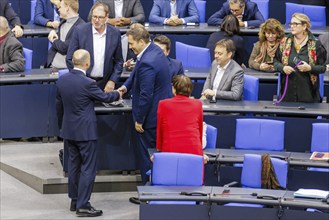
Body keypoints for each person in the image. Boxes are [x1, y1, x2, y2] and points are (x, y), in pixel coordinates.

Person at [56, 49, 122, 217]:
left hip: (69, 131)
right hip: (85, 133)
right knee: (88, 168)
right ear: (87, 63)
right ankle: (83, 205)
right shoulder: (88, 83)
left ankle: (74, 200)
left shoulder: (62, 80)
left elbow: (59, 107)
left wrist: (62, 127)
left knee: (74, 167)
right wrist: (118, 93)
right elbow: (105, 98)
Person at [118, 26, 172, 185]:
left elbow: (146, 94)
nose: (130, 47)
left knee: (147, 156)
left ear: (141, 41)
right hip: (159, 112)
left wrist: (140, 119)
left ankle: (147, 192)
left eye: (132, 43)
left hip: (149, 119)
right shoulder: (153, 50)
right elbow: (137, 70)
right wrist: (126, 87)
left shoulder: (149, 61)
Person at [66, 2, 123, 92]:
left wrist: (112, 81)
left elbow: (119, 61)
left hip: (105, 85)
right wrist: (80, 79)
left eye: (100, 17)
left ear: (107, 17)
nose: (96, 20)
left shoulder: (115, 33)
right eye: (94, 16)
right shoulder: (80, 31)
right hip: (83, 83)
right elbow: (69, 58)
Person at [274, 13, 327, 103]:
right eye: (291, 24)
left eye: (296, 24)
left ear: (304, 26)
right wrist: (283, 68)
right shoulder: (284, 42)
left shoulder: (315, 45)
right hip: (287, 94)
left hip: (308, 94)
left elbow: (323, 68)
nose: (292, 26)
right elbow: (275, 62)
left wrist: (310, 68)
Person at [156, 75, 203, 156]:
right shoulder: (198, 104)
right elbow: (200, 131)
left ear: (174, 89)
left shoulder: (163, 104)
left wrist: (159, 148)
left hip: (170, 150)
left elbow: (160, 129)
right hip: (194, 151)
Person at [45, 0, 85, 69]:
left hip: (65, 69)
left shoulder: (81, 27)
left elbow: (64, 48)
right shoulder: (63, 22)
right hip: (51, 65)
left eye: (60, 7)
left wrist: (53, 40)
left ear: (67, 8)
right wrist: (53, 32)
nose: (58, 9)